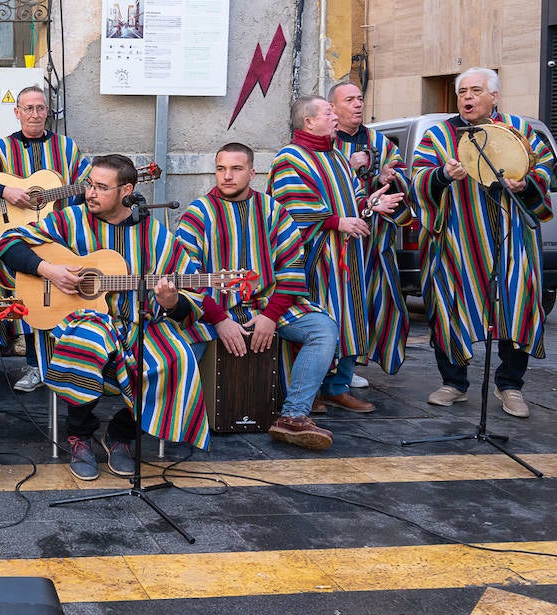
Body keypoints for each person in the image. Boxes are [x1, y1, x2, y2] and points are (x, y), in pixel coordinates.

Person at [0, 154, 205, 481]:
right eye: (90, 184)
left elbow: (190, 298)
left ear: (127, 191)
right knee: (89, 338)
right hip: (75, 322)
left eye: (101, 187)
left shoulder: (155, 234)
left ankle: (121, 433)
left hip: (136, 324)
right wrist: (49, 269)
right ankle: (79, 434)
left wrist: (172, 302)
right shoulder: (69, 220)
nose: (90, 192)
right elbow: (8, 243)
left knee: (177, 355)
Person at [174, 143, 341, 450]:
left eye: (236, 169)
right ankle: (178, 421)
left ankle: (293, 416)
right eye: (221, 168)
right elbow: (187, 278)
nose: (227, 176)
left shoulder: (273, 211)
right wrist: (220, 320)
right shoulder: (197, 214)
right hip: (213, 310)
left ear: (252, 172)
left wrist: (270, 317)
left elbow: (292, 269)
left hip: (265, 305)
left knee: (324, 329)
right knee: (179, 349)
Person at [410, 67, 556, 418]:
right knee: (448, 305)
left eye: (476, 90)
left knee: (517, 304)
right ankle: (454, 383)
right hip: (456, 243)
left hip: (512, 241)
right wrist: (443, 175)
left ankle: (510, 385)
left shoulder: (519, 131)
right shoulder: (438, 135)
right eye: (462, 92)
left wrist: (527, 182)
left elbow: (545, 167)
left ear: (495, 96)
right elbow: (417, 177)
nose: (467, 97)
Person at [270, 96, 403, 415]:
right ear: (309, 122)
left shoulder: (338, 157)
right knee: (320, 321)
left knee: (352, 318)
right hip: (314, 260)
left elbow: (353, 196)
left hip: (348, 257)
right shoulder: (290, 157)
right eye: (328, 112)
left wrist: (370, 205)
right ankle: (309, 391)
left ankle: (337, 388)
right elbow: (290, 204)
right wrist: (335, 221)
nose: (334, 117)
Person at [0, 85, 90, 391]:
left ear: (48, 112)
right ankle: (34, 365)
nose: (35, 114)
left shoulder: (67, 149)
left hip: (57, 238)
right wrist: (3, 190)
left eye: (40, 108)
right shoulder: (0, 150)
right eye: (28, 108)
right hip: (15, 242)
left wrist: (79, 196)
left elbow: (88, 182)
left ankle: (65, 365)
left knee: (61, 294)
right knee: (29, 297)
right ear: (16, 112)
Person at [329, 80, 415, 381]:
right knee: (338, 303)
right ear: (333, 108)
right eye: (350, 99)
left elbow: (402, 179)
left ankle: (355, 363)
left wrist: (388, 176)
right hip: (337, 243)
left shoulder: (382, 142)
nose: (358, 104)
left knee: (377, 300)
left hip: (376, 243)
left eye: (360, 98)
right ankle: (336, 368)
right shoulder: (326, 144)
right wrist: (348, 168)